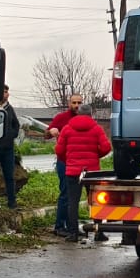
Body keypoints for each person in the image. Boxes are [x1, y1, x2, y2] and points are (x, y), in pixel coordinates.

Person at [55, 104, 111, 243]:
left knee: (72, 202)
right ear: (91, 114)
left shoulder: (67, 129)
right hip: (91, 172)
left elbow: (59, 150)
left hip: (73, 171)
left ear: (78, 114)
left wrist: (68, 159)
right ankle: (99, 233)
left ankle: (73, 233)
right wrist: (96, 155)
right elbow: (106, 147)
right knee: (96, 201)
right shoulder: (97, 129)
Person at [46, 92, 84, 236]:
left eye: (79, 103)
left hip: (80, 163)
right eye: (74, 103)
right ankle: (59, 226)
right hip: (64, 161)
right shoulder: (61, 118)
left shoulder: (85, 119)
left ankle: (72, 226)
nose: (76, 105)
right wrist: (51, 131)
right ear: (69, 104)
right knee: (65, 193)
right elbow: (47, 133)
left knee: (76, 196)